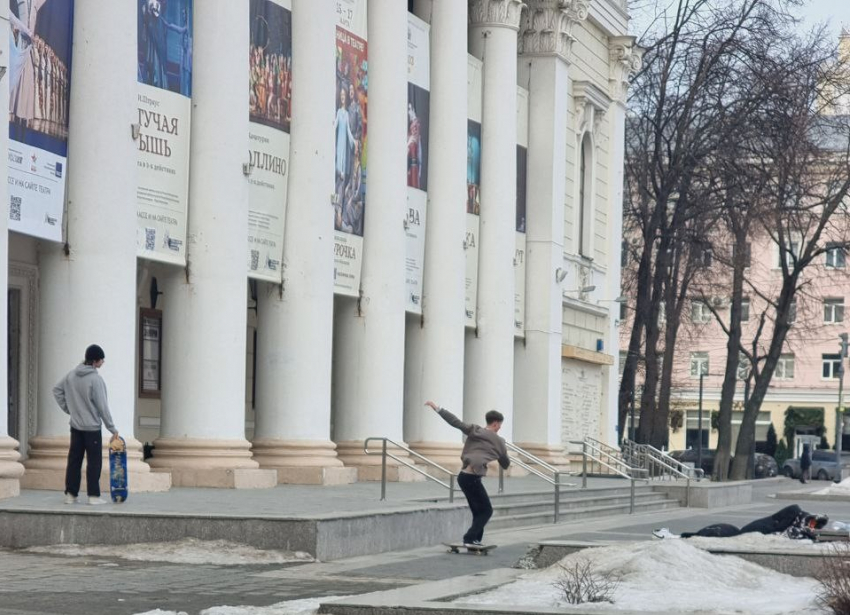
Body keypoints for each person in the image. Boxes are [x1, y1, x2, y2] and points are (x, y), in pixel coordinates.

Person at [424, 400, 510, 547]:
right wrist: (499, 453)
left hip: (463, 477)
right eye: (500, 426)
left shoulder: (474, 430)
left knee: (478, 510)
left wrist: (438, 409)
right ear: (496, 424)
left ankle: (476, 540)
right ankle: (470, 538)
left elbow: (455, 422)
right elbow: (505, 464)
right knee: (487, 511)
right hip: (473, 478)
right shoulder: (499, 441)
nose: (499, 429)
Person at [53, 344, 120, 505]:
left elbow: (57, 390)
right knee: (94, 462)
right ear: (95, 361)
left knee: (74, 460)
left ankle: (71, 494)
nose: (103, 362)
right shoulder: (96, 380)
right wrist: (112, 429)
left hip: (75, 427)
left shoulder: (71, 375)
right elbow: (102, 407)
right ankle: (93, 496)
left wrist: (70, 409)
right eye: (101, 359)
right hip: (92, 429)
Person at [653, 504, 828, 540]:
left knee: (719, 532)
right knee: (714, 533)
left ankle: (678, 537)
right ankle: (677, 537)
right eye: (812, 523)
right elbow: (783, 526)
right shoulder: (795, 514)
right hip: (751, 531)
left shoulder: (797, 525)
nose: (811, 527)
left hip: (749, 531)